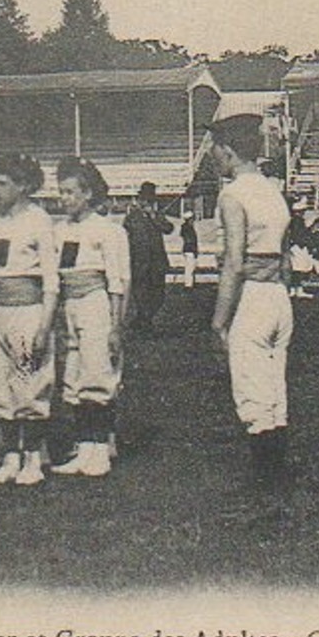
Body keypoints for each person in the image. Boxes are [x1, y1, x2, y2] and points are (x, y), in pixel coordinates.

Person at [206, 115, 294, 500]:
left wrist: (219, 321)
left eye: (215, 150)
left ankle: (265, 477)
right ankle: (278, 471)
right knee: (274, 383)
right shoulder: (273, 190)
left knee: (250, 385)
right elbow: (286, 256)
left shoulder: (233, 194)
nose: (213, 157)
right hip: (278, 295)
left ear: (227, 151)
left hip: (253, 297)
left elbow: (234, 263)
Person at [0, 154, 57, 487]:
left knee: (29, 383)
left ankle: (33, 458)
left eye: (1, 183)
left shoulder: (38, 220)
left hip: (28, 311)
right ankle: (10, 457)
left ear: (22, 185)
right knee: (1, 387)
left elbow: (51, 280)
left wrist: (44, 325)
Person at [51, 157, 128, 480]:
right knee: (74, 377)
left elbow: (118, 283)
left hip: (96, 305)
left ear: (88, 194)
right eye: (61, 192)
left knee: (97, 374)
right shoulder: (59, 231)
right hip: (70, 305)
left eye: (70, 192)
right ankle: (84, 447)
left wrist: (115, 326)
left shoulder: (107, 231)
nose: (64, 198)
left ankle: (100, 449)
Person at [122, 181, 171, 335]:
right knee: (141, 294)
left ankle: (143, 320)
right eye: (144, 199)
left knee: (159, 294)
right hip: (139, 262)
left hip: (157, 262)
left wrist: (154, 216)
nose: (147, 202)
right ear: (140, 199)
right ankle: (145, 322)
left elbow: (169, 228)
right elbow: (125, 236)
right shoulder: (131, 217)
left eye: (150, 200)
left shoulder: (158, 215)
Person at [179, 210, 199, 289]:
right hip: (190, 249)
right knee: (190, 268)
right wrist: (194, 250)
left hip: (187, 249)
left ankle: (189, 283)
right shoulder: (188, 228)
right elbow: (190, 240)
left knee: (189, 267)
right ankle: (188, 284)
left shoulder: (185, 228)